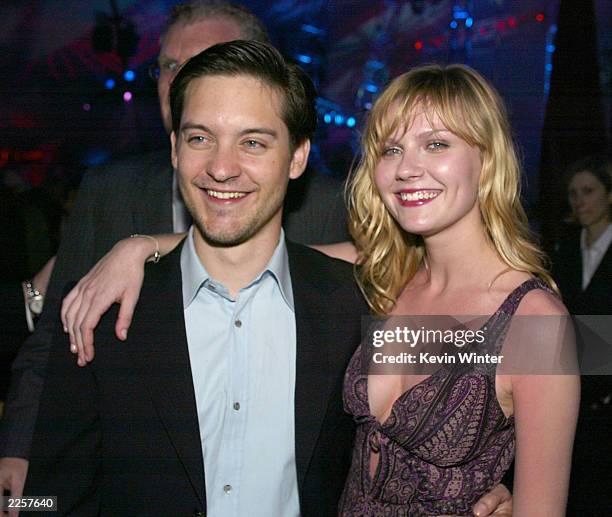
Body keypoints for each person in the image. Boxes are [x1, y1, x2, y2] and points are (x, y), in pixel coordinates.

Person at [62, 67, 558, 515]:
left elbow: (561, 375)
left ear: (487, 158)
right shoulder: (388, 279)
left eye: (436, 144)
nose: (407, 168)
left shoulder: (539, 323)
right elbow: (245, 247)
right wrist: (137, 245)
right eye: (390, 148)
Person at [0, 0, 348, 501]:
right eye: (201, 137)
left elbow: (413, 290)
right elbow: (59, 343)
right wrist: (19, 459)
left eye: (252, 142)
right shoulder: (108, 230)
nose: (222, 167)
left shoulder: (341, 270)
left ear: (296, 157)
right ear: (175, 147)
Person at [551, 154, 612, 514]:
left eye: (588, 191)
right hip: (573, 393)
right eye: (574, 194)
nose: (580, 201)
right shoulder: (565, 247)